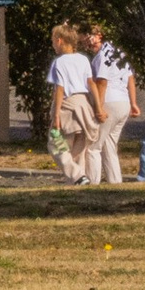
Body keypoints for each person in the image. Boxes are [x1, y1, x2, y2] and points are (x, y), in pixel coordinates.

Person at [48, 23, 98, 186]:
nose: (53, 45)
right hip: (84, 105)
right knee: (78, 150)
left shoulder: (59, 62)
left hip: (67, 106)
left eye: (53, 41)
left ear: (60, 40)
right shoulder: (83, 59)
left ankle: (76, 175)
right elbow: (91, 83)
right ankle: (78, 182)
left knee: (57, 144)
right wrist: (98, 107)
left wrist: (56, 114)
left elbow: (60, 88)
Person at [90, 30, 135, 189]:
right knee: (109, 144)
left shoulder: (103, 55)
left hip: (109, 101)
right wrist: (133, 102)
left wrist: (99, 107)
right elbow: (130, 78)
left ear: (100, 35)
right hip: (123, 102)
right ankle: (115, 183)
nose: (89, 41)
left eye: (91, 37)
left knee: (93, 145)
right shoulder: (119, 53)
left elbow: (102, 82)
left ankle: (92, 184)